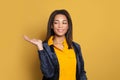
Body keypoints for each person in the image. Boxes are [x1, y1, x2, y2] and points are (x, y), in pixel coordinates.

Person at [24, 9, 87, 80]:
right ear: (51, 25)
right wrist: (40, 48)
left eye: (64, 23)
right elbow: (48, 74)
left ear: (68, 26)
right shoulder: (45, 46)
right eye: (56, 23)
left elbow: (81, 73)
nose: (60, 26)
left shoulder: (76, 47)